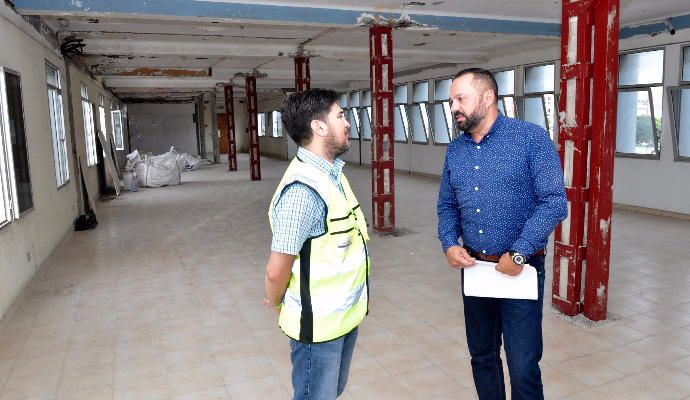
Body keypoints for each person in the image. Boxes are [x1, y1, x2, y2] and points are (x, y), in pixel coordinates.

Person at [437, 68, 567, 400]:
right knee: (482, 357)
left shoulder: (530, 138)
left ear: (488, 97)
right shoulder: (456, 150)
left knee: (523, 366)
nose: (453, 107)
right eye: (451, 101)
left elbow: (554, 202)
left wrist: (520, 253)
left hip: (520, 270)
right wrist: (450, 243)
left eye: (460, 98)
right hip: (475, 270)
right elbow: (447, 205)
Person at [263, 88, 370, 400]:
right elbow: (275, 271)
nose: (347, 122)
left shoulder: (333, 175)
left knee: (330, 391)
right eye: (340, 115)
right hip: (318, 329)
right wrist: (277, 300)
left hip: (342, 320)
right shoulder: (302, 192)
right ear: (319, 127)